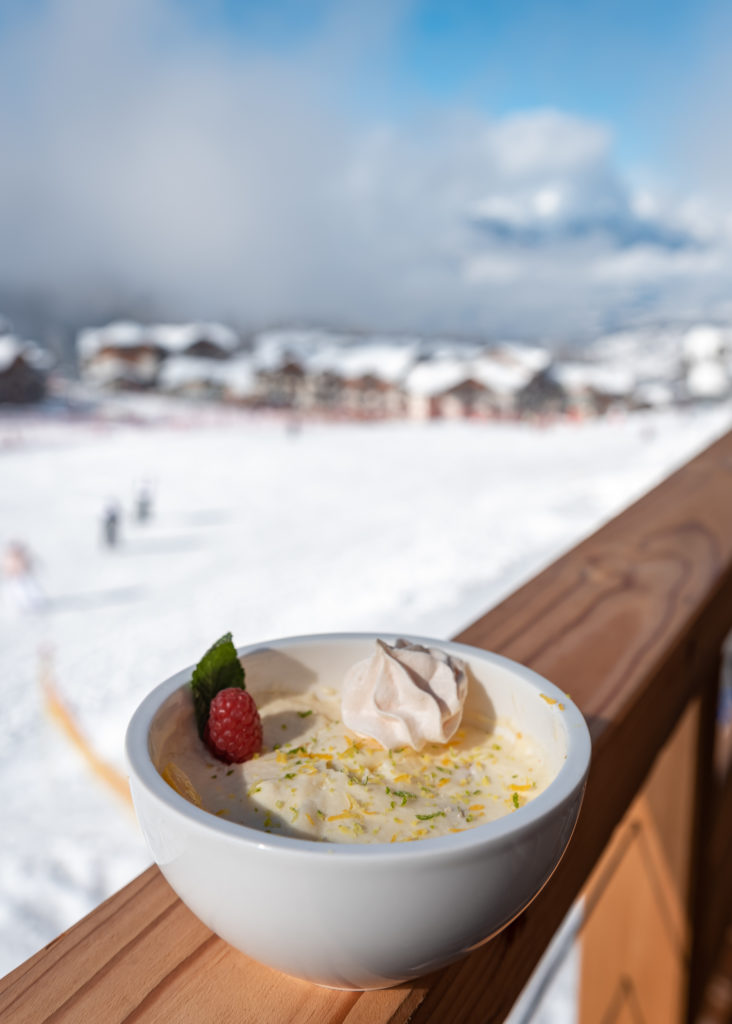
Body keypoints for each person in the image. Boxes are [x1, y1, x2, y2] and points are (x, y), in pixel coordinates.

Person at [1, 540, 45, 614]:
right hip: (15, 579)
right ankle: (18, 607)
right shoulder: (8, 559)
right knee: (17, 592)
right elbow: (7, 569)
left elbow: (29, 565)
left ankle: (36, 604)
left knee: (32, 590)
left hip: (26, 577)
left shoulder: (23, 557)